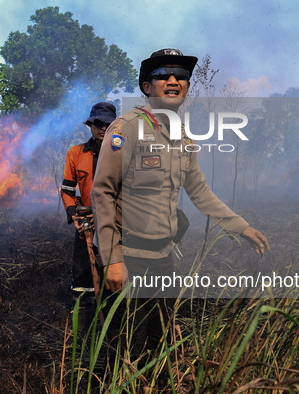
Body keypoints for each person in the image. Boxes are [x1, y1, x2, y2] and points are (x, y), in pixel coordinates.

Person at [91, 48, 270, 359]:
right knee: (129, 346)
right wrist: (112, 259)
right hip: (129, 258)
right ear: (147, 87)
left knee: (161, 339)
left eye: (182, 75)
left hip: (163, 258)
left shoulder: (183, 138)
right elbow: (102, 191)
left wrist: (240, 226)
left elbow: (200, 190)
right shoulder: (126, 129)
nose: (173, 80)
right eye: (162, 75)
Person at [61, 102, 116, 325]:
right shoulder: (76, 154)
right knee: (83, 274)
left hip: (114, 224)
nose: (103, 128)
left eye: (108, 124)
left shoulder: (123, 154)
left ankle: (112, 323)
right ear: (91, 125)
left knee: (112, 272)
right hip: (84, 224)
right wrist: (74, 214)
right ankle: (83, 324)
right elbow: (66, 190)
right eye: (98, 123)